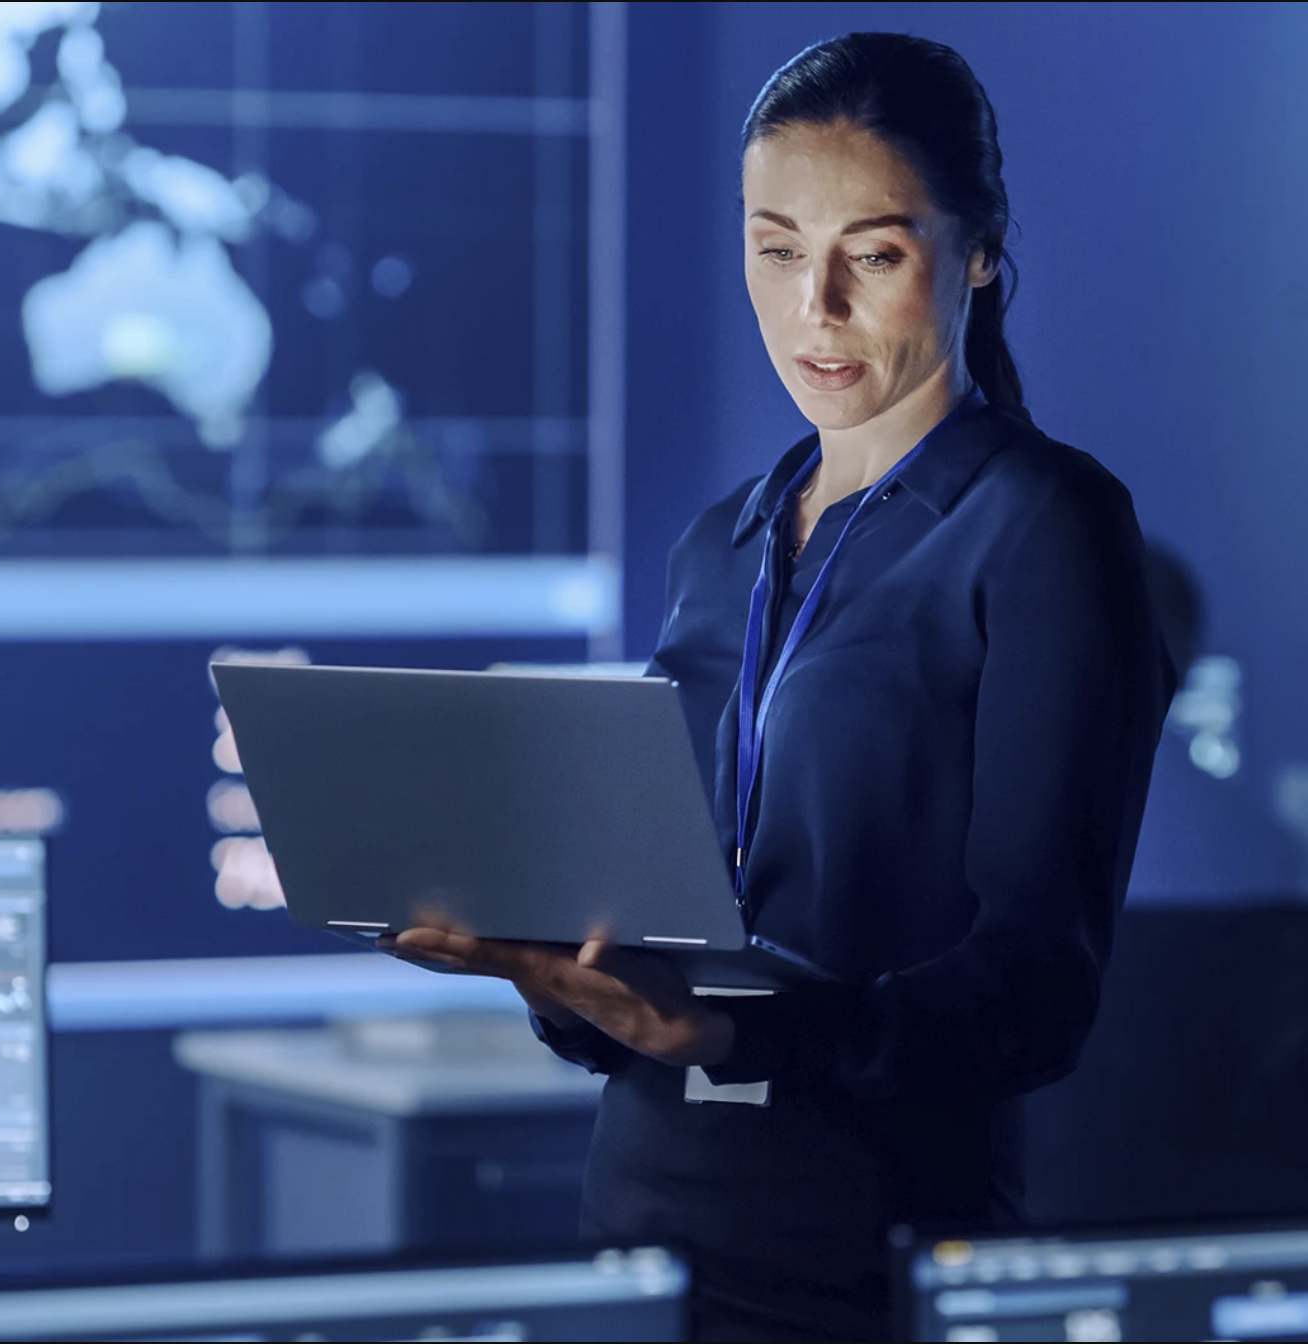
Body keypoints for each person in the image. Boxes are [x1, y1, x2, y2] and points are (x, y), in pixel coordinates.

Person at [393, 32, 1174, 1343]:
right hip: (642, 1234)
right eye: (774, 248)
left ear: (978, 248)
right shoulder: (724, 541)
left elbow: (1037, 991)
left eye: (871, 255)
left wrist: (742, 1037)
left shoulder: (1048, 527)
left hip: (869, 1260)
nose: (815, 308)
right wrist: (561, 979)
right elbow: (659, 930)